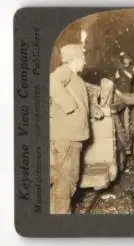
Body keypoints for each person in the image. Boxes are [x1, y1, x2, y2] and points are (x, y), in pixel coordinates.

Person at [50, 43, 104, 214]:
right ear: (75, 59)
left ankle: (54, 215)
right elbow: (51, 81)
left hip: (72, 136)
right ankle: (60, 220)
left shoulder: (76, 78)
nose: (85, 61)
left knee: (65, 180)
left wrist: (92, 110)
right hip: (68, 136)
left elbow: (80, 101)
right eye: (83, 57)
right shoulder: (65, 71)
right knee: (67, 182)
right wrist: (69, 106)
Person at [114, 52, 134, 155]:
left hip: (127, 96)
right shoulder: (119, 70)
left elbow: (130, 76)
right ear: (123, 60)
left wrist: (122, 70)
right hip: (119, 95)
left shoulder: (130, 69)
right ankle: (123, 145)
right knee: (119, 121)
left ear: (130, 60)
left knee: (126, 121)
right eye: (125, 59)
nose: (126, 61)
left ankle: (128, 145)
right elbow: (115, 79)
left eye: (128, 59)